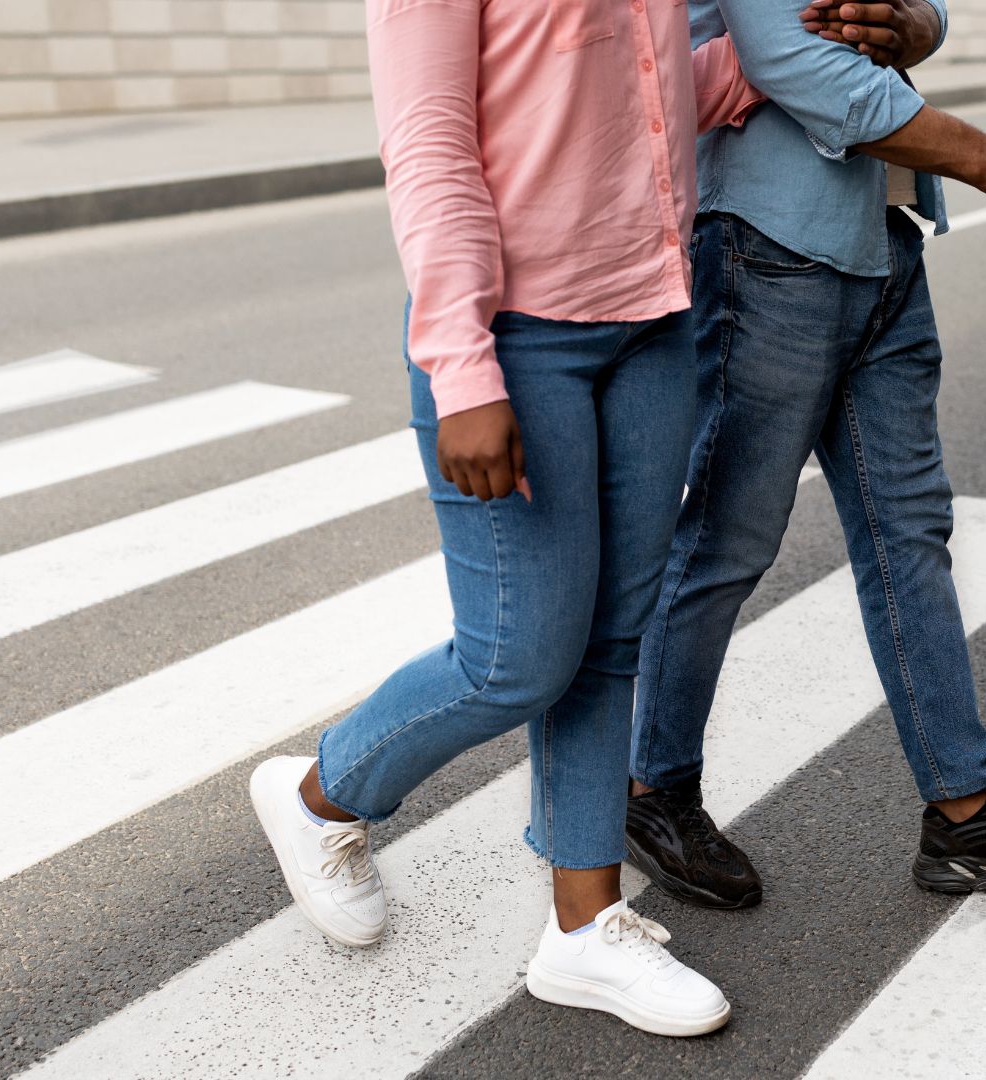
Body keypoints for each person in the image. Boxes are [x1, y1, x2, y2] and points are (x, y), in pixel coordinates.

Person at [249, 0, 763, 1037]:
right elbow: (431, 145)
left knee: (613, 641)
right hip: (518, 339)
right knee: (515, 659)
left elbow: (642, 96)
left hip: (651, 324)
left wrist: (788, 57)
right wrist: (463, 368)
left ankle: (583, 929)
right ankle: (321, 796)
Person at [623, 0, 986, 910]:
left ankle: (964, 812)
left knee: (911, 532)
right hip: (768, 248)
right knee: (728, 540)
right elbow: (788, 55)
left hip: (882, 242)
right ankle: (650, 790)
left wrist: (914, 26)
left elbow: (922, 11)